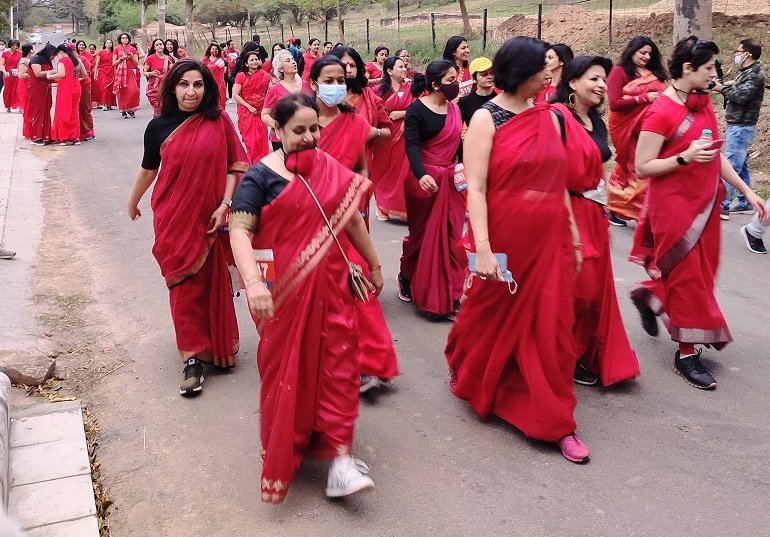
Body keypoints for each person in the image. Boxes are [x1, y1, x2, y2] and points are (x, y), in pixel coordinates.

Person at [229, 93, 383, 503]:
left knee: (338, 370)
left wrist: (374, 264)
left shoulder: (328, 167)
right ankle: (293, 447)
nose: (310, 137)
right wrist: (254, 284)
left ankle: (339, 459)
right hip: (284, 295)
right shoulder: (260, 177)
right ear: (276, 131)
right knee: (289, 374)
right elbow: (239, 232)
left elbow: (349, 219)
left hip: (333, 289)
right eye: (299, 131)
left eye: (315, 128)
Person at [445, 36, 590, 464]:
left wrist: (575, 238)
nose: (550, 74)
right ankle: (468, 365)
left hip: (550, 240)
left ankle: (555, 419)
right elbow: (475, 187)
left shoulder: (551, 117)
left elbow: (558, 180)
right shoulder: (488, 119)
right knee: (486, 314)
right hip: (504, 236)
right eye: (541, 69)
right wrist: (484, 249)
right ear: (521, 74)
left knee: (551, 326)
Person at [630, 36, 767, 390]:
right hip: (673, 210)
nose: (714, 75)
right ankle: (687, 352)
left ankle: (651, 294)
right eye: (708, 69)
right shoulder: (661, 110)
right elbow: (642, 166)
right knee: (689, 280)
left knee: (701, 276)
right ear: (687, 69)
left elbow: (717, 154)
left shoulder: (702, 102)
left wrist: (748, 191)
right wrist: (683, 158)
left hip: (706, 207)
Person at [128, 59, 248, 396]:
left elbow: (233, 165)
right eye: (184, 84)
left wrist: (225, 205)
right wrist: (132, 201)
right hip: (173, 217)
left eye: (198, 85)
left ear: (207, 88)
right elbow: (148, 170)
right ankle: (192, 357)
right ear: (172, 88)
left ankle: (216, 346)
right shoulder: (159, 127)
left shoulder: (218, 120)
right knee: (182, 284)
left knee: (210, 282)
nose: (191, 91)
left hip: (212, 216)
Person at [310, 56, 399, 392]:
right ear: (314, 82)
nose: (336, 86)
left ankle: (373, 361)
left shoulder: (355, 123)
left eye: (341, 81)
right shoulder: (304, 123)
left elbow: (362, 167)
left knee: (358, 286)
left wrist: (358, 194)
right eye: (328, 80)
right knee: (325, 295)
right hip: (312, 217)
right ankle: (337, 363)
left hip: (348, 216)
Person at [550, 55, 640, 387]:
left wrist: (605, 205)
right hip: (566, 213)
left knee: (595, 296)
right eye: (594, 78)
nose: (603, 85)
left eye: (604, 79)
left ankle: (582, 353)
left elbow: (599, 169)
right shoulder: (557, 117)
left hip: (594, 213)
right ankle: (562, 353)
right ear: (572, 82)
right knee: (578, 292)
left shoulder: (597, 121)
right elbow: (551, 173)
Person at [398, 60, 464, 319]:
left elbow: (458, 144)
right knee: (421, 237)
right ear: (435, 85)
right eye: (450, 80)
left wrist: (463, 170)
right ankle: (407, 277)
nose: (456, 84)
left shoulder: (455, 110)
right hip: (423, 181)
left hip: (450, 180)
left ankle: (450, 294)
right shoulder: (416, 110)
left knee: (452, 239)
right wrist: (422, 173)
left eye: (456, 78)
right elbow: (411, 146)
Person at [606, 36, 668, 226]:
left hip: (650, 129)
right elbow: (615, 104)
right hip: (626, 128)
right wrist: (644, 98)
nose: (647, 57)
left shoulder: (653, 72)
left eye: (650, 53)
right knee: (632, 169)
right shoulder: (619, 72)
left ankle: (620, 207)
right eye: (643, 52)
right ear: (632, 51)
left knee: (634, 170)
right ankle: (637, 210)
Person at [329, 45, 392, 204]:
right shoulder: (325, 97)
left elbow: (387, 132)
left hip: (361, 169)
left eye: (353, 65)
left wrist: (374, 132)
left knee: (358, 221)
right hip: (329, 171)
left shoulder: (369, 97)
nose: (349, 70)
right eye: (344, 66)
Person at [714, 38, 766, 220]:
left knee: (732, 165)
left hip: (742, 125)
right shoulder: (747, 71)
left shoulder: (755, 73)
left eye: (738, 51)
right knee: (741, 165)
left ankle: (723, 205)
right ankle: (744, 201)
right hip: (738, 124)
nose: (736, 54)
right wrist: (723, 86)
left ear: (747, 54)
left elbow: (742, 95)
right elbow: (736, 87)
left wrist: (721, 88)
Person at [371, 55, 414, 221]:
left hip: (407, 136)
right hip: (385, 137)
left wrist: (403, 113)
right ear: (389, 71)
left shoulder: (411, 88)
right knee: (385, 171)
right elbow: (371, 111)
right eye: (400, 67)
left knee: (404, 173)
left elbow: (419, 107)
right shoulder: (378, 91)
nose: (404, 70)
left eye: (405, 67)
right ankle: (382, 206)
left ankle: (403, 207)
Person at [262, 49, 310, 151]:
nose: (293, 62)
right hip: (282, 140)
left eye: (293, 59)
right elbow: (264, 114)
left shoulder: (307, 85)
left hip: (306, 136)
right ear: (281, 69)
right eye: (288, 61)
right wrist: (277, 126)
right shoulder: (274, 89)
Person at [233, 50, 272, 164]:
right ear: (246, 63)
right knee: (251, 141)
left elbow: (271, 91)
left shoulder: (265, 75)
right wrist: (249, 107)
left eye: (256, 59)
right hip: (246, 111)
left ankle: (262, 165)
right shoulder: (241, 76)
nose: (255, 62)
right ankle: (252, 165)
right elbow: (235, 95)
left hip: (261, 110)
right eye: (252, 60)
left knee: (261, 138)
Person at [48, 44, 82, 145]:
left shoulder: (62, 61)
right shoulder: (75, 61)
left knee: (63, 111)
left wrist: (50, 76)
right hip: (75, 88)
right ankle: (75, 137)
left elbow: (62, 74)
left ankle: (63, 137)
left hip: (65, 88)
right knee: (74, 112)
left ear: (60, 52)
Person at [27, 43, 55, 145]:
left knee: (46, 111)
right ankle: (36, 136)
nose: (53, 57)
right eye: (53, 55)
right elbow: (38, 73)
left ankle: (46, 136)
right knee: (38, 112)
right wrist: (51, 72)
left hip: (46, 89)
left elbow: (50, 76)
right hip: (36, 89)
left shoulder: (48, 62)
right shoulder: (36, 59)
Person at [457, 57, 496, 127]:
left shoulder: (500, 98)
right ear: (474, 78)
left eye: (491, 73)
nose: (489, 77)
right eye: (484, 74)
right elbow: (458, 128)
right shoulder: (464, 102)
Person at [113, 33, 140, 118]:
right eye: (123, 38)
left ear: (129, 39)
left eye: (126, 38)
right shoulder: (117, 50)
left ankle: (131, 109)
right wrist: (122, 58)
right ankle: (123, 110)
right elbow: (114, 63)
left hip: (130, 73)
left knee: (134, 91)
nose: (125, 39)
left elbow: (136, 63)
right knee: (122, 93)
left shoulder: (133, 49)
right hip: (120, 73)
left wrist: (131, 57)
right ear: (120, 40)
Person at [144, 38, 173, 117]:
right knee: (156, 103)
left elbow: (173, 71)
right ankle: (158, 118)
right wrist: (151, 73)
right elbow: (144, 72)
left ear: (164, 46)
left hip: (165, 85)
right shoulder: (150, 58)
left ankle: (161, 119)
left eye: (161, 44)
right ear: (154, 47)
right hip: (154, 85)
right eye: (157, 45)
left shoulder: (169, 59)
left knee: (164, 104)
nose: (159, 46)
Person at [76, 41, 95, 141]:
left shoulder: (84, 58)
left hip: (84, 85)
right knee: (77, 110)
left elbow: (87, 73)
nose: (81, 46)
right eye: (79, 45)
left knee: (85, 109)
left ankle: (89, 132)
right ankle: (79, 131)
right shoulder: (72, 59)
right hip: (75, 87)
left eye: (83, 45)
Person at [201, 42, 227, 109]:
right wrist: (214, 66)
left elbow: (224, 71)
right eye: (213, 49)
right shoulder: (205, 59)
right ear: (209, 50)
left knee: (221, 101)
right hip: (209, 83)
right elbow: (203, 69)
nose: (214, 51)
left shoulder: (220, 60)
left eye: (216, 49)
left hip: (220, 84)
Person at [0, 40, 22, 112]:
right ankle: (8, 106)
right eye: (13, 45)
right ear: (10, 45)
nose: (15, 47)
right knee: (8, 90)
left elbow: (22, 63)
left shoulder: (20, 53)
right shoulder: (5, 53)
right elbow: (2, 64)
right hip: (8, 75)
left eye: (16, 45)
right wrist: (5, 72)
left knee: (18, 90)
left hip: (17, 74)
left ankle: (20, 107)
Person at [95, 39, 116, 110]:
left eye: (110, 43)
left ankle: (109, 104)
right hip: (102, 71)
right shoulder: (101, 52)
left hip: (111, 71)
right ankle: (104, 103)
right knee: (104, 87)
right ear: (105, 44)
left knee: (110, 88)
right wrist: (95, 72)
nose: (109, 44)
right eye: (107, 43)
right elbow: (97, 63)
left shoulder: (114, 53)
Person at [17, 44, 32, 136]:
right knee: (27, 108)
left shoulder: (28, 60)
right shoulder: (23, 61)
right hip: (24, 86)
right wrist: (33, 75)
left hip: (29, 85)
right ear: (30, 50)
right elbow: (21, 75)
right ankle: (28, 132)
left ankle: (29, 130)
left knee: (30, 108)